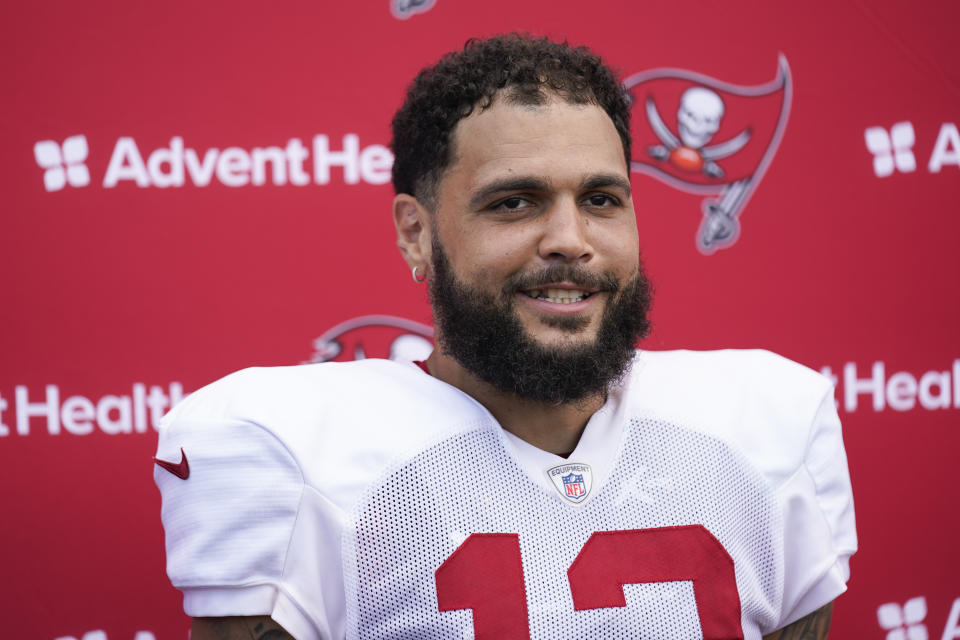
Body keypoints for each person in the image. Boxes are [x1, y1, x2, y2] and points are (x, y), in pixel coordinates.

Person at [154, 34, 856, 640]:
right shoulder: (283, 449)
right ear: (416, 232)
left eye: (601, 200)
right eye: (514, 202)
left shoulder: (768, 423)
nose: (569, 240)